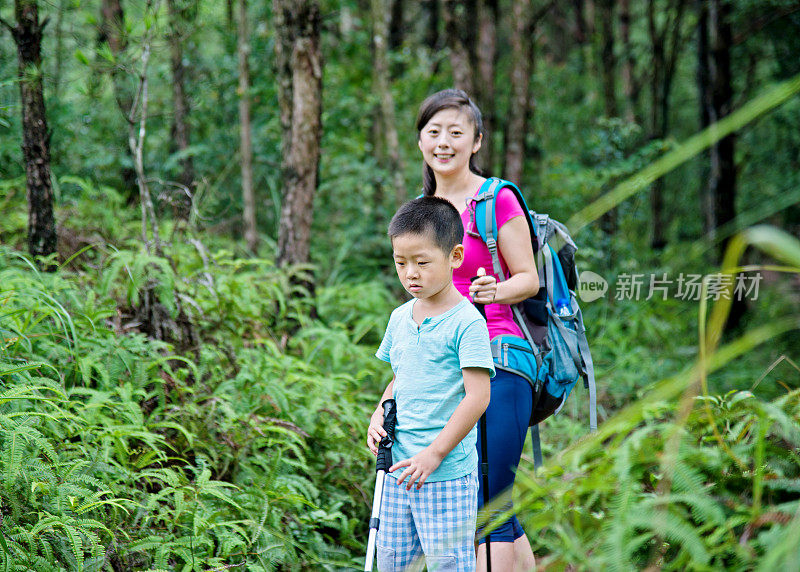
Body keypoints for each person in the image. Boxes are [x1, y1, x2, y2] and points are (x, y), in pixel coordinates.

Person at [416, 88, 540, 572]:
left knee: (489, 506)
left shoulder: (496, 199)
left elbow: (528, 279)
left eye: (455, 132)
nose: (443, 141)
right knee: (493, 506)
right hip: (444, 368)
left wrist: (495, 292)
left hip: (500, 357)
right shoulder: (421, 210)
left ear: (476, 141)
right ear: (421, 141)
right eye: (433, 131)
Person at [367, 196, 495, 571]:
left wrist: (435, 453)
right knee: (393, 561)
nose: (411, 274)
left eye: (422, 263)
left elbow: (478, 397)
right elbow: (399, 379)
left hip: (445, 475)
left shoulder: (466, 323)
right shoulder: (399, 317)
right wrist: (379, 412)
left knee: (447, 564)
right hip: (396, 469)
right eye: (401, 262)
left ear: (455, 257)